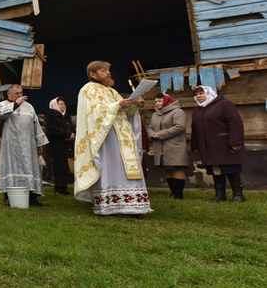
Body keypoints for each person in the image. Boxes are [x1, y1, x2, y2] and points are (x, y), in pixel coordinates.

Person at [74, 61, 151, 216]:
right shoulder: (88, 90)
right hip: (106, 139)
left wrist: (133, 105)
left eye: (109, 70)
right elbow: (93, 112)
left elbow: (124, 112)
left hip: (122, 138)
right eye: (103, 70)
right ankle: (113, 205)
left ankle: (134, 205)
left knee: (124, 168)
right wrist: (117, 105)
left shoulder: (111, 91)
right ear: (93, 74)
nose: (108, 73)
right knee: (112, 167)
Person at [190, 85, 247, 202]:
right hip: (209, 147)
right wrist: (195, 145)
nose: (198, 96)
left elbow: (235, 123)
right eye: (196, 94)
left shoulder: (224, 104)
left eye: (201, 93)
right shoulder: (197, 110)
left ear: (208, 92)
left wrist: (235, 141)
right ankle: (220, 194)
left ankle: (238, 195)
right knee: (216, 170)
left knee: (231, 169)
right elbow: (195, 129)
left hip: (225, 144)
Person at [0, 85, 48, 206]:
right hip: (11, 145)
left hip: (28, 144)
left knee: (30, 168)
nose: (19, 95)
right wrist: (16, 104)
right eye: (16, 93)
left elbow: (36, 125)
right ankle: (9, 197)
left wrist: (40, 143)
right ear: (9, 95)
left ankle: (33, 198)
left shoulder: (29, 107)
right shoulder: (2, 105)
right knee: (10, 168)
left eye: (21, 93)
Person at [149, 93, 188, 199]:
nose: (157, 103)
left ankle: (179, 194)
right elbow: (150, 127)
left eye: (160, 101)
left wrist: (160, 134)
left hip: (175, 146)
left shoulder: (177, 112)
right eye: (156, 101)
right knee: (167, 169)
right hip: (160, 148)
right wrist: (152, 134)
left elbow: (179, 127)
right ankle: (173, 192)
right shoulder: (155, 115)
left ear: (167, 101)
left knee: (176, 168)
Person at [44, 96, 75, 195]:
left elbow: (71, 127)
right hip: (56, 146)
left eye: (64, 104)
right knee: (57, 167)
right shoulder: (50, 115)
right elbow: (52, 129)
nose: (63, 106)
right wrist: (67, 134)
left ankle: (64, 188)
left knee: (65, 167)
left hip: (66, 145)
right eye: (61, 104)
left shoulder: (67, 116)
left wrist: (73, 134)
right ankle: (58, 188)